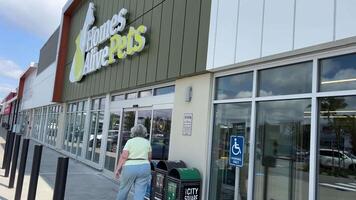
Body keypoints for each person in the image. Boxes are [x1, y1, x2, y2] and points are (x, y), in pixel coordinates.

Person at [115, 124, 152, 200]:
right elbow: (149, 158)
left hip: (130, 166)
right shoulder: (147, 142)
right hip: (144, 166)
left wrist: (118, 169)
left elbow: (124, 157)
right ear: (144, 132)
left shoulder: (130, 142)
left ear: (133, 132)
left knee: (123, 190)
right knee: (140, 193)